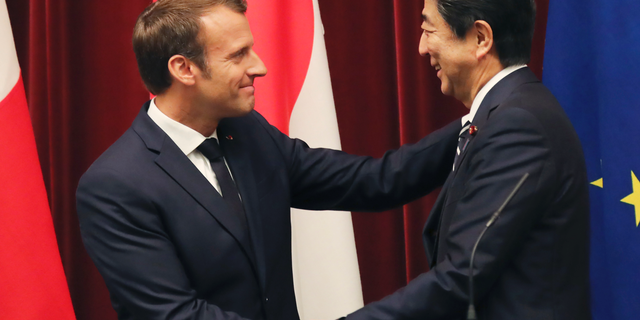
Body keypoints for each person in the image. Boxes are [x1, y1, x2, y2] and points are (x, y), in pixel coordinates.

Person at [75, 0, 461, 319]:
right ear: (183, 69)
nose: (258, 66)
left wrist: (479, 120)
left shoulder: (249, 133)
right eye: (239, 54)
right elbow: (177, 314)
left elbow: (374, 180)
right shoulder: (114, 186)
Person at [343, 0, 590, 319]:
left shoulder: (518, 126)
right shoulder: (501, 115)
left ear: (480, 38)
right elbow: (388, 175)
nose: (421, 48)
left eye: (429, 29)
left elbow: (461, 274)